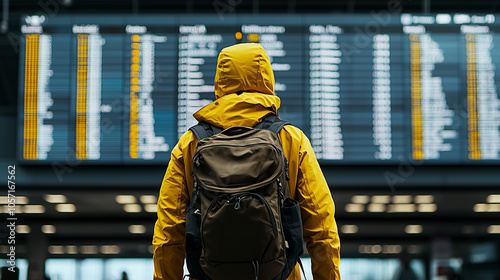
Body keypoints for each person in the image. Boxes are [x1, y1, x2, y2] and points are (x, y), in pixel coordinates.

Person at [153, 43, 340, 280]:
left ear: (220, 82)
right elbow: (322, 225)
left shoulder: (190, 143)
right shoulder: (291, 139)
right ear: (267, 80)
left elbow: (169, 232)